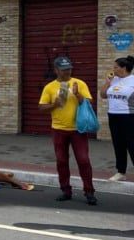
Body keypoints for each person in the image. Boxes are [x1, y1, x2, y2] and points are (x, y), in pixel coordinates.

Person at [39, 56, 97, 205]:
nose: (67, 72)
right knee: (61, 161)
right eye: (64, 69)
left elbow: (90, 102)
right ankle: (65, 190)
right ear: (56, 70)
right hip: (58, 129)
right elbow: (41, 107)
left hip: (78, 129)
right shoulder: (50, 87)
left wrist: (78, 94)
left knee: (83, 160)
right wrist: (54, 104)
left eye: (69, 69)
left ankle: (89, 191)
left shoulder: (79, 83)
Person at [100, 56, 134, 183]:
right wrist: (107, 82)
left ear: (124, 68)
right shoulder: (113, 80)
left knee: (132, 145)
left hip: (130, 116)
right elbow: (103, 95)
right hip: (113, 115)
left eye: (116, 67)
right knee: (118, 144)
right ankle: (121, 172)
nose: (113, 69)